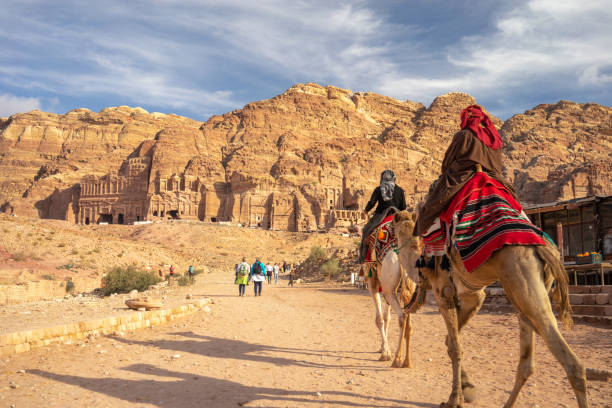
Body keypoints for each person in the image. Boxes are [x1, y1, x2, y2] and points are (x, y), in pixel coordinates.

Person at [414, 104, 517, 236]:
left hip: (464, 177)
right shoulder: (496, 140)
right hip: (494, 177)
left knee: (432, 205)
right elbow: (497, 165)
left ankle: (423, 237)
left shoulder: (463, 135)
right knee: (512, 197)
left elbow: (447, 162)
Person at [358, 170, 407, 263]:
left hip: (381, 215)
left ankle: (364, 260)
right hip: (396, 215)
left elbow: (372, 203)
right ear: (394, 178)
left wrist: (366, 210)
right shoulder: (400, 190)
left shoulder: (378, 189)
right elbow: (403, 207)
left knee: (365, 232)